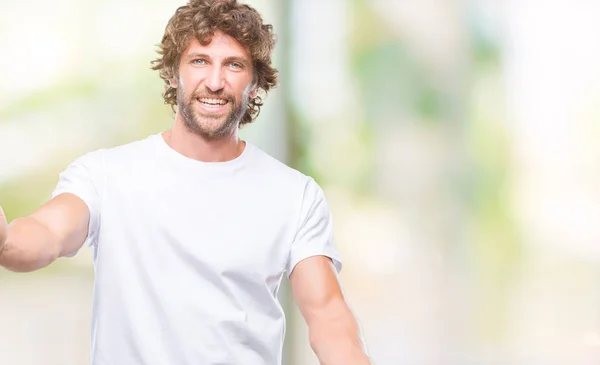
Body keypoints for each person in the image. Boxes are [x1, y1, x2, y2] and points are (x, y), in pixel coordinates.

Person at [0, 0, 371, 364]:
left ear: (255, 81)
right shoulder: (105, 175)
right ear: (173, 72)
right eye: (199, 61)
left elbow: (328, 317)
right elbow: (45, 233)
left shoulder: (295, 194)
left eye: (234, 65)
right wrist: (6, 240)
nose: (214, 82)